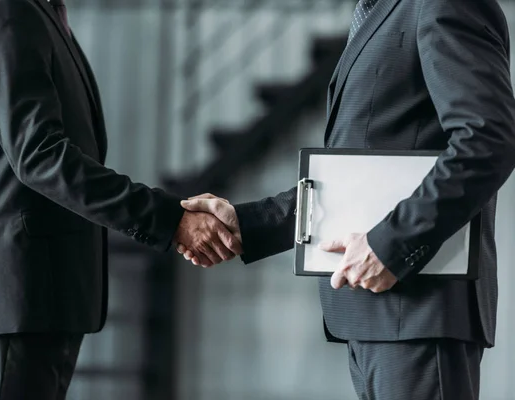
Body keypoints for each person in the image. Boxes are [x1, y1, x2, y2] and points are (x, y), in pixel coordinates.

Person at [178, 0, 515, 398]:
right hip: (379, 315)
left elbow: (488, 140)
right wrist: (249, 223)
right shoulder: (381, 9)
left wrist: (391, 246)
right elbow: (363, 169)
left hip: (419, 311)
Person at [0, 0, 242, 398]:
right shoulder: (7, 11)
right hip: (16, 298)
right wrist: (168, 219)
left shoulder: (38, 11)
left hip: (42, 300)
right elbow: (40, 156)